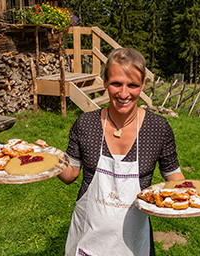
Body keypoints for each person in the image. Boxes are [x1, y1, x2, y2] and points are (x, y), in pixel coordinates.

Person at [37, 47, 185, 255]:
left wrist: (189, 193)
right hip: (88, 239)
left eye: (132, 85)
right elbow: (70, 175)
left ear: (142, 85)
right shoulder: (86, 124)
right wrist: (49, 158)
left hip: (134, 242)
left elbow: (172, 174)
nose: (124, 94)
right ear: (105, 82)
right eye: (116, 83)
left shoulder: (157, 128)